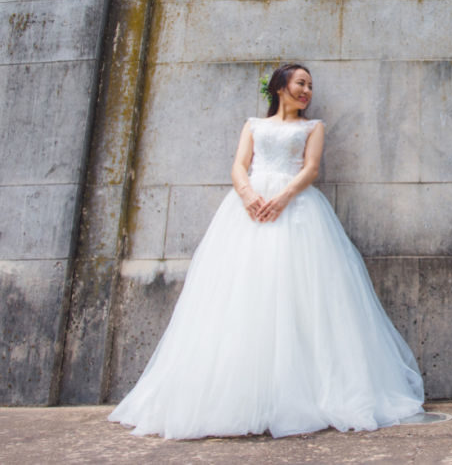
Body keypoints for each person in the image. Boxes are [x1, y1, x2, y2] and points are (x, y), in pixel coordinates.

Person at [109, 63, 425, 439]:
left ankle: (301, 391)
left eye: (310, 85)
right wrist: (249, 196)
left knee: (301, 297)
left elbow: (310, 169)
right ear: (280, 87)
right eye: (300, 83)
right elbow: (239, 165)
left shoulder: (313, 127)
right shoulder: (253, 125)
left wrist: (282, 198)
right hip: (247, 211)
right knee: (242, 292)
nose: (307, 90)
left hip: (298, 210)